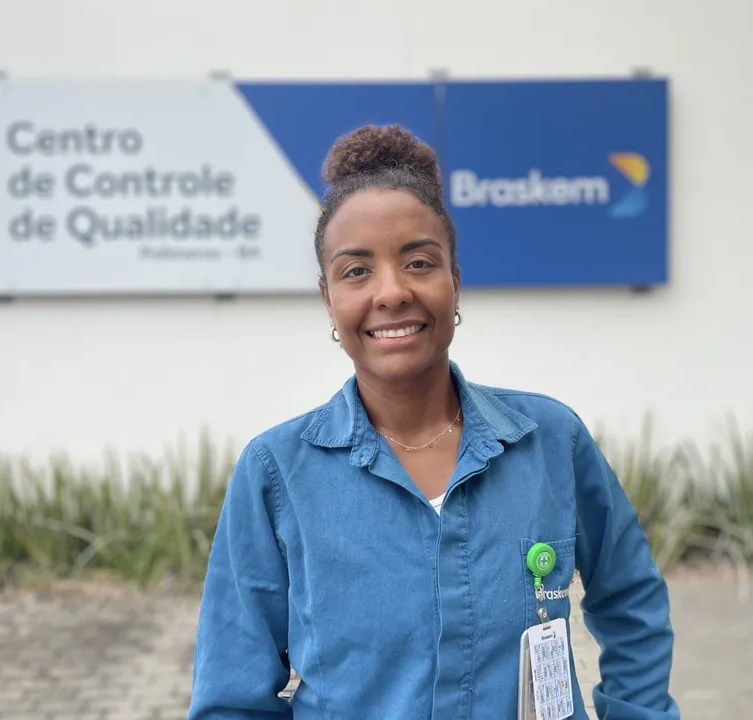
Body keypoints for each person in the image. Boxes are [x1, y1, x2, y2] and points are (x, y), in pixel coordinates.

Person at [188, 124, 679, 719]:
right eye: (356, 271)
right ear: (328, 301)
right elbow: (232, 697)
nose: (392, 292)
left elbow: (631, 600)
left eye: (419, 262)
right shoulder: (276, 473)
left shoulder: (550, 441)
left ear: (455, 283)